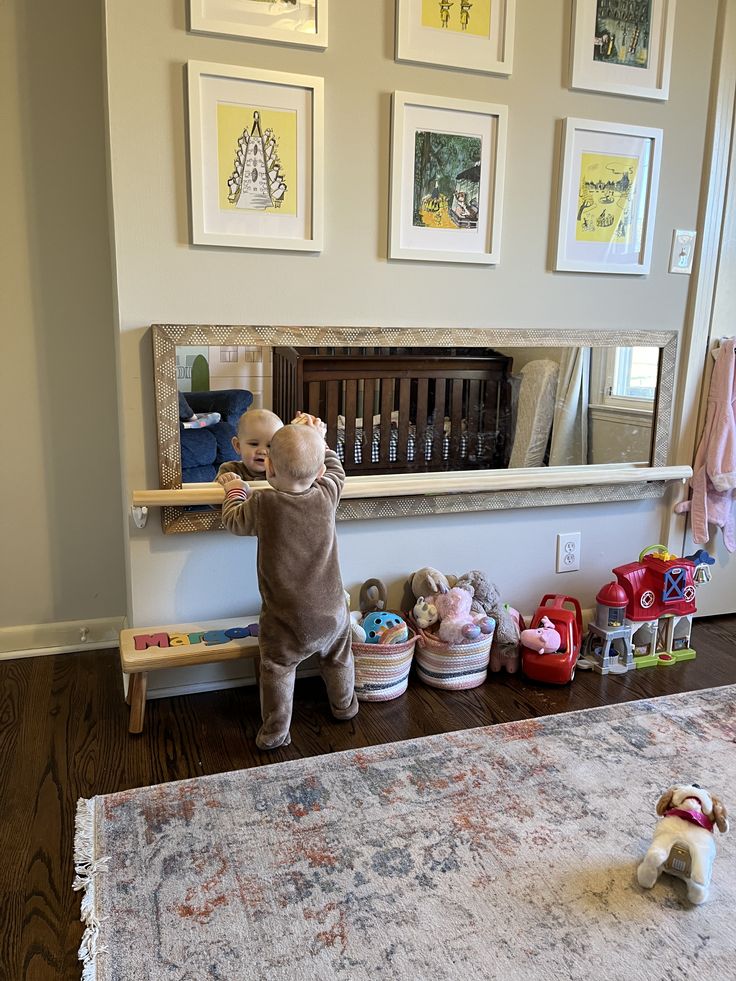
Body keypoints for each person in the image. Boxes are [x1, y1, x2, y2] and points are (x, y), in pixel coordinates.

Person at [217, 415, 357, 749]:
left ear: (269, 471)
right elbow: (337, 470)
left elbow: (233, 520)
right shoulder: (327, 493)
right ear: (319, 472)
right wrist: (321, 440)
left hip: (286, 619)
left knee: (277, 669)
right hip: (333, 612)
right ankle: (344, 706)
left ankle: (276, 731)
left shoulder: (263, 503)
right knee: (339, 659)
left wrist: (233, 487)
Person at [217, 408, 284, 481]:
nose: (262, 451)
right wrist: (224, 480)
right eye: (254, 444)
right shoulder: (230, 469)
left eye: (269, 446)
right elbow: (213, 490)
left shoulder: (281, 473)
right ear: (238, 446)